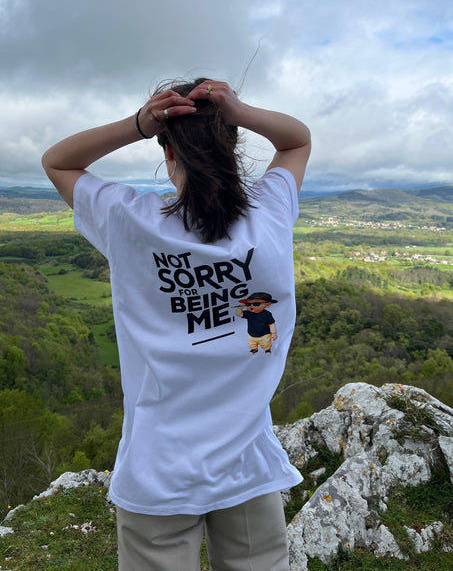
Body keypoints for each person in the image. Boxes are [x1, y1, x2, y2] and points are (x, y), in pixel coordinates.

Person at [42, 78, 311, 571]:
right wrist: (239, 111)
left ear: (168, 153)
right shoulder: (269, 214)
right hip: (248, 465)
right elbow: (296, 140)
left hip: (157, 472)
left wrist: (138, 124)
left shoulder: (130, 220)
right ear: (232, 143)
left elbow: (58, 161)